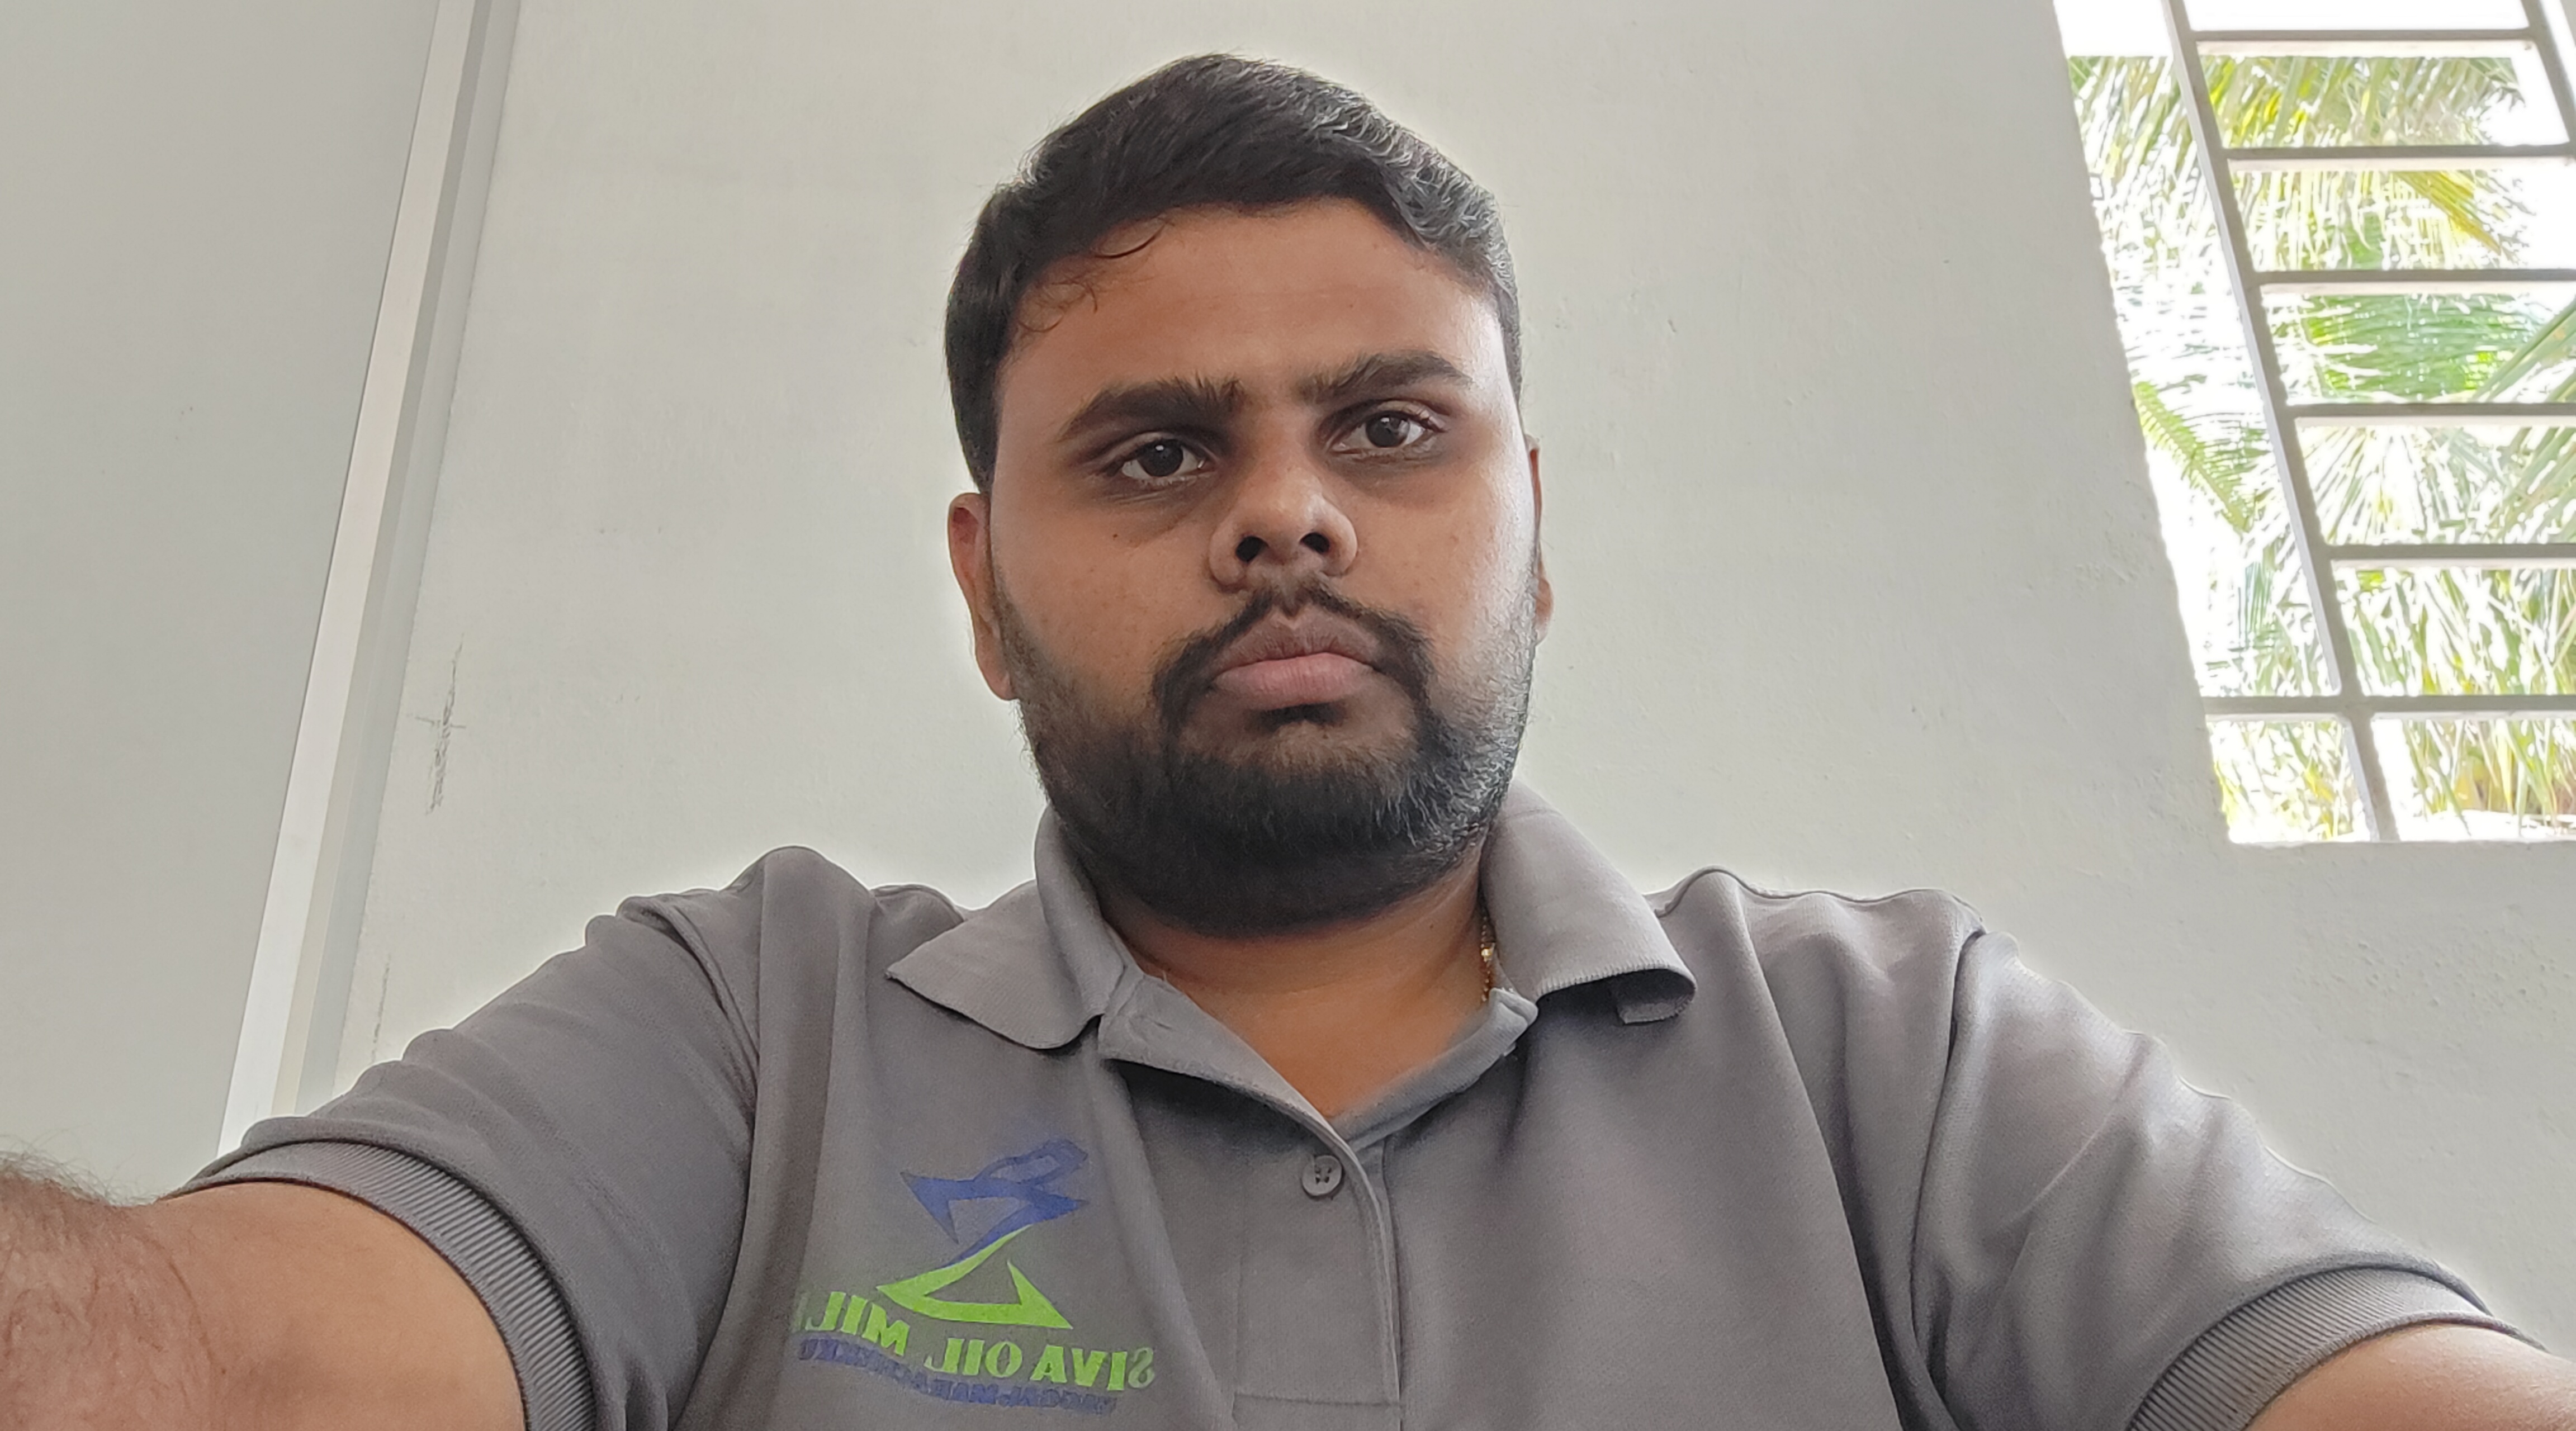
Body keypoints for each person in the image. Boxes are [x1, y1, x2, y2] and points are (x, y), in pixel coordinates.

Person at [3, 52, 2570, 1431]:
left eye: (1392, 429)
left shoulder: (1895, 1049)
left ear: (1534, 538)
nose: (1287, 514)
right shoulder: (736, 1030)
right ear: (984, 589)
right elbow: (224, 1363)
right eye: (1154, 453)